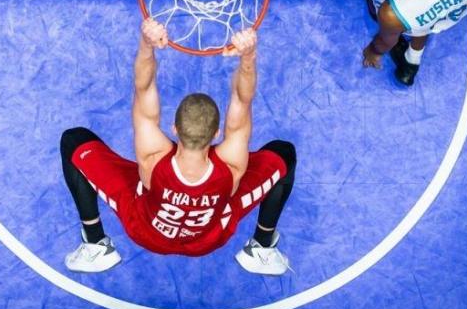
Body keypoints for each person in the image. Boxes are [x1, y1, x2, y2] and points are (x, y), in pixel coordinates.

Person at [60, 19, 296, 275]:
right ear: (216, 134)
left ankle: (95, 243)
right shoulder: (231, 165)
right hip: (209, 238)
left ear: (174, 128)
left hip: (147, 231)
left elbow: (144, 87)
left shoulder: (153, 157)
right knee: (283, 153)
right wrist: (248, 56)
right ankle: (262, 247)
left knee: (74, 141)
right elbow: (242, 99)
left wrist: (147, 44)